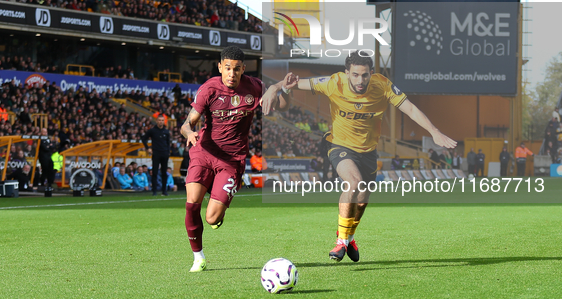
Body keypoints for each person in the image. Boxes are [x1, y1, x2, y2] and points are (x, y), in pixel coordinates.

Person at [262, 55, 456, 263]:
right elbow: (293, 83)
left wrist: (434, 131)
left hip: (368, 151)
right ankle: (341, 241)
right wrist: (275, 87)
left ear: (371, 74)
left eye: (364, 75)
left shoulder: (382, 85)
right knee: (353, 183)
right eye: (355, 75)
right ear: (347, 74)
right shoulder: (333, 82)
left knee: (361, 203)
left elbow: (409, 108)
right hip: (339, 144)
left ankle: (350, 238)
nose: (360, 80)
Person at [180, 46, 292, 272]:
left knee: (211, 218)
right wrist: (189, 133)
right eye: (228, 68)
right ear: (220, 67)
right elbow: (187, 123)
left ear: (244, 69)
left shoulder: (254, 87)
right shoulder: (209, 89)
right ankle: (198, 257)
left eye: (237, 69)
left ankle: (218, 196)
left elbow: (282, 106)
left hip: (232, 160)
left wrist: (284, 91)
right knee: (192, 204)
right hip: (204, 152)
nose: (232, 73)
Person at [141, 115, 171, 196]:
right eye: (159, 120)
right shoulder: (152, 130)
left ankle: (164, 191)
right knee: (154, 172)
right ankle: (154, 191)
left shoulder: (166, 131)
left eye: (162, 120)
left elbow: (168, 143)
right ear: (156, 121)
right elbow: (144, 139)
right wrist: (148, 148)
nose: (161, 121)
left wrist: (168, 152)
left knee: (164, 173)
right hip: (156, 153)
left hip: (164, 153)